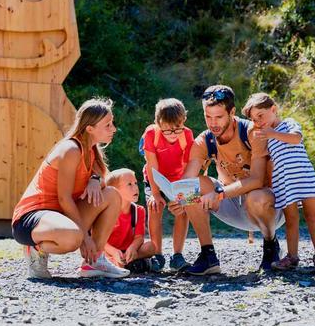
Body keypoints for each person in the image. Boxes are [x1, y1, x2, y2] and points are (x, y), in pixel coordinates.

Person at [11, 98, 130, 279]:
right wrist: (85, 237)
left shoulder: (91, 151)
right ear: (89, 129)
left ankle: (94, 261)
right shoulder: (71, 150)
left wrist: (95, 180)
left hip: (60, 216)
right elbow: (64, 199)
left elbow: (104, 181)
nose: (113, 129)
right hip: (31, 218)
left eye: (112, 124)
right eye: (108, 125)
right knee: (73, 238)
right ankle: (34, 249)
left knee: (112, 195)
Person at [172, 85, 284, 276]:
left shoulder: (251, 133)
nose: (213, 123)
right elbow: (187, 179)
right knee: (191, 187)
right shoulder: (204, 141)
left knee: (255, 196)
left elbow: (257, 180)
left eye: (219, 117)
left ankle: (271, 246)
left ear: (232, 112)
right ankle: (208, 256)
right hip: (232, 205)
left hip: (268, 207)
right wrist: (179, 198)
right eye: (208, 117)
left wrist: (220, 193)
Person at [242, 93, 315, 270]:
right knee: (291, 220)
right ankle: (292, 256)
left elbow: (296, 138)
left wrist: (272, 133)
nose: (258, 122)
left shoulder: (288, 123)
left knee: (312, 215)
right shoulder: (267, 137)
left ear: (273, 109)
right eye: (254, 119)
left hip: (303, 178)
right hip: (284, 182)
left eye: (261, 116)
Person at [140, 98, 195, 272]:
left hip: (179, 177)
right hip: (155, 176)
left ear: (183, 121)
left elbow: (188, 165)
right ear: (158, 123)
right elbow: (151, 165)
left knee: (184, 210)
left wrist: (180, 195)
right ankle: (157, 253)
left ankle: (177, 255)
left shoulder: (187, 135)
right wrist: (156, 193)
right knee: (154, 207)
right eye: (167, 130)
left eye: (177, 128)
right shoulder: (151, 133)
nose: (172, 134)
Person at [104, 168, 157, 273]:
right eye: (130, 184)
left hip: (129, 250)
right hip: (109, 251)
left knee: (151, 246)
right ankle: (129, 264)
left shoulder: (138, 211)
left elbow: (139, 237)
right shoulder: (107, 212)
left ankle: (125, 262)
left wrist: (133, 248)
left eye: (136, 183)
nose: (135, 188)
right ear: (115, 191)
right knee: (99, 253)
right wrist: (114, 252)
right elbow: (100, 241)